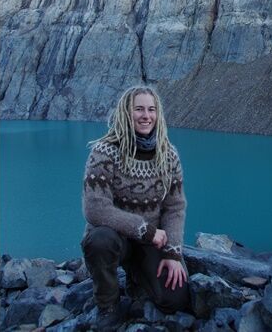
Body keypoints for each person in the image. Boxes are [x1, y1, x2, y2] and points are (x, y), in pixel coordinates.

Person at [81, 86, 190, 330]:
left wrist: (173, 253)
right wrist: (145, 229)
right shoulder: (104, 151)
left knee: (175, 299)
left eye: (151, 110)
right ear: (125, 113)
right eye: (138, 109)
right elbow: (95, 209)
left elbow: (175, 207)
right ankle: (108, 304)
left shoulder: (168, 154)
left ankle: (136, 277)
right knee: (99, 240)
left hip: (153, 243)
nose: (146, 115)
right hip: (117, 238)